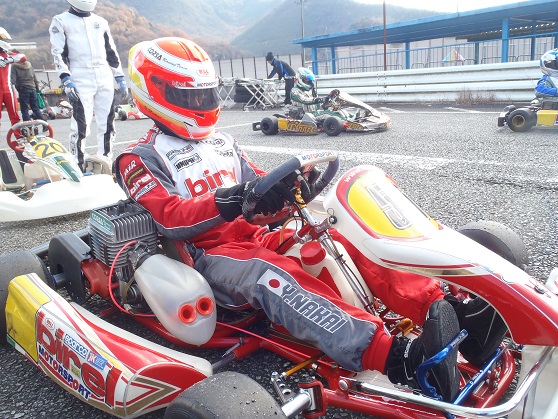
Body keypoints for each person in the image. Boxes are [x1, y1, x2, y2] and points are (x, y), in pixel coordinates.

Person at [116, 37, 507, 403]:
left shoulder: (222, 142)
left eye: (205, 93)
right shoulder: (139, 156)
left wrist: (288, 189)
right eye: (189, 95)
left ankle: (447, 312)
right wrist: (233, 199)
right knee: (272, 273)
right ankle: (397, 357)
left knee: (337, 236)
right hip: (207, 255)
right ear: (152, 92)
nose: (201, 102)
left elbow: (258, 187)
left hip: (256, 236)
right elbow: (169, 217)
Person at [49, 0, 127, 171]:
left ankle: (105, 160)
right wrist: (65, 77)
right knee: (81, 123)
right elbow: (58, 52)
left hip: (104, 73)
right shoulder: (60, 20)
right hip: (79, 74)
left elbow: (111, 50)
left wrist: (119, 75)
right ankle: (77, 163)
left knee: (107, 122)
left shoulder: (100, 21)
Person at [0, 27, 27, 131]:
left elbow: (22, 57)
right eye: (4, 39)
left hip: (8, 88)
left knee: (14, 114)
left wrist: (7, 59)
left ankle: (19, 136)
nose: (5, 42)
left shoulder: (7, 53)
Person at [11, 57, 47, 123]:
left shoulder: (14, 67)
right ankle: (45, 123)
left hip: (23, 89)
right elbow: (35, 80)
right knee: (35, 108)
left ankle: (28, 126)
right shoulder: (29, 66)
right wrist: (38, 90)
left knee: (24, 110)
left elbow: (12, 81)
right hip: (33, 89)